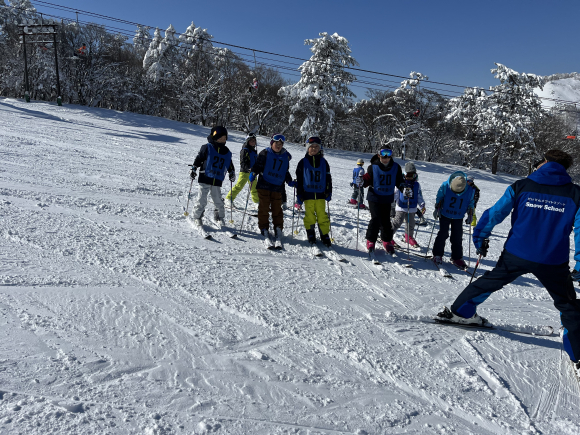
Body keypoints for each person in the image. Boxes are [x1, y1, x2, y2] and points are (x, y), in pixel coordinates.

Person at [436, 150, 580, 377]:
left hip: (516, 253)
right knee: (567, 304)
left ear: (545, 162)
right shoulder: (575, 194)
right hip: (552, 260)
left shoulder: (521, 186)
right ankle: (578, 355)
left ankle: (461, 311)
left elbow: (494, 213)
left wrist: (481, 236)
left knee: (491, 281)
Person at [249, 134, 296, 244]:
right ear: (272, 144)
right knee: (264, 208)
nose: (278, 146)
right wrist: (253, 172)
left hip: (277, 187)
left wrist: (289, 181)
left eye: (280, 144)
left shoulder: (285, 156)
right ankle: (264, 227)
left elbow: (285, 171)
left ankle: (278, 228)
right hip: (264, 185)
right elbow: (258, 165)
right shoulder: (265, 153)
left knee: (277, 209)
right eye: (276, 144)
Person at [361, 148, 405, 255]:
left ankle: (386, 240)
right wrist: (362, 181)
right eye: (383, 155)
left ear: (391, 156)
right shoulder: (373, 167)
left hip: (387, 197)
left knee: (386, 220)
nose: (385, 158)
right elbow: (367, 179)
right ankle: (371, 240)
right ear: (379, 155)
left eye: (388, 155)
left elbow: (399, 181)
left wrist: (404, 188)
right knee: (375, 219)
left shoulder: (396, 167)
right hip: (374, 197)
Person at [190, 126, 235, 226]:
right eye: (220, 138)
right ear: (214, 137)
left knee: (218, 199)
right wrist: (194, 168)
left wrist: (232, 172)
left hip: (217, 179)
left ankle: (219, 217)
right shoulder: (207, 147)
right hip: (205, 177)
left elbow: (229, 163)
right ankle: (197, 216)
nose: (223, 140)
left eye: (224, 138)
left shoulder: (226, 151)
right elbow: (199, 159)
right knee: (202, 199)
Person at [432, 171, 475, 269]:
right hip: (445, 214)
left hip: (458, 216)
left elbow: (471, 202)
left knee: (457, 237)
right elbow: (440, 197)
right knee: (443, 234)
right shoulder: (445, 186)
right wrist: (437, 207)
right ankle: (437, 254)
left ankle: (457, 258)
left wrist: (470, 213)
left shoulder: (470, 190)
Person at [295, 136, 333, 247]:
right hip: (308, 195)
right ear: (307, 148)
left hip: (321, 194)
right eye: (312, 147)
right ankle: (310, 233)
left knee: (322, 216)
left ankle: (324, 234)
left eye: (316, 147)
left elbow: (328, 179)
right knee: (309, 215)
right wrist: (300, 194)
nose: (314, 149)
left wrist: (328, 191)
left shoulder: (324, 162)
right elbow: (300, 180)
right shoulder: (302, 162)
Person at [391, 162, 425, 247]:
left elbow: (419, 196)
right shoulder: (400, 183)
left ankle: (408, 237)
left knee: (411, 223)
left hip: (412, 208)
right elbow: (395, 193)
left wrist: (422, 205)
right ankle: (388, 236)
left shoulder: (416, 185)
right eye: (408, 175)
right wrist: (391, 202)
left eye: (412, 175)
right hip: (401, 207)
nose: (409, 178)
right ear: (404, 174)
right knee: (397, 222)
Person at [225, 133, 259, 207]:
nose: (253, 142)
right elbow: (242, 162)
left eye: (254, 141)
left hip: (253, 173)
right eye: (251, 141)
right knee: (239, 186)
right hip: (245, 172)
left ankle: (256, 202)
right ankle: (228, 199)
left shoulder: (254, 151)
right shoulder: (245, 150)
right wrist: (248, 168)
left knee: (254, 188)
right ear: (247, 141)